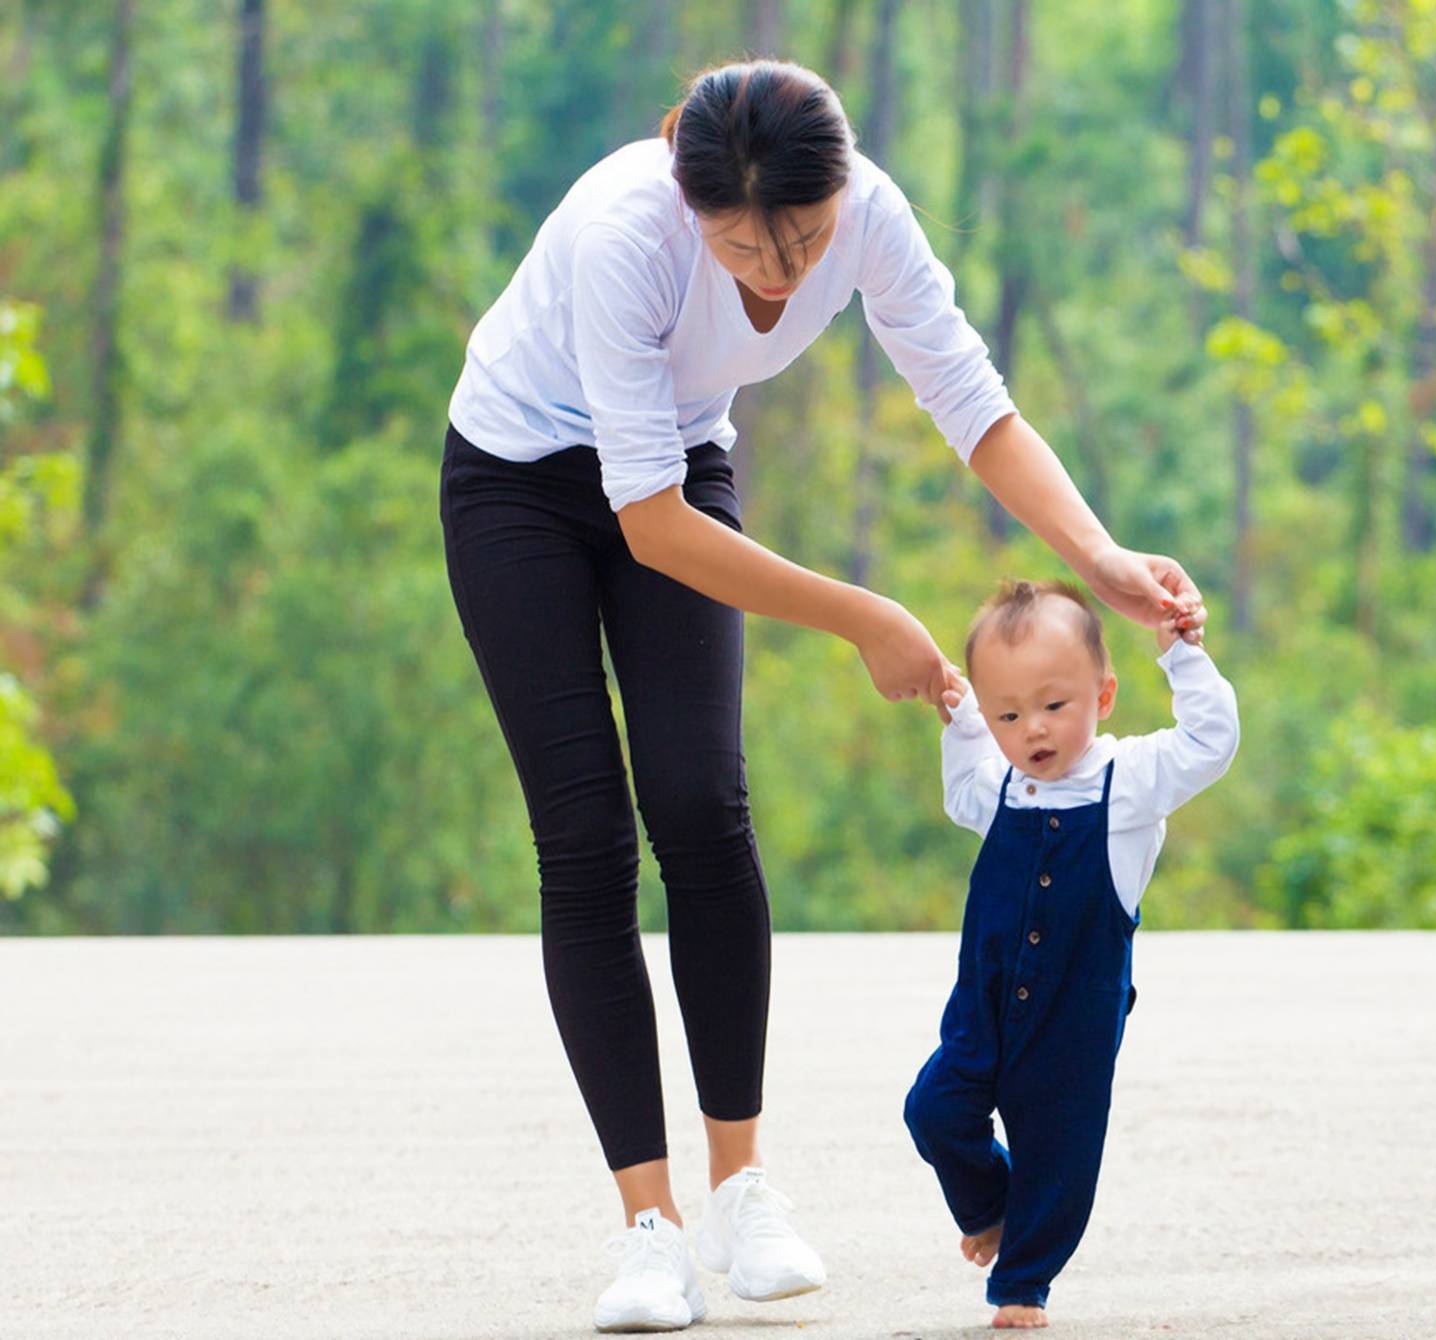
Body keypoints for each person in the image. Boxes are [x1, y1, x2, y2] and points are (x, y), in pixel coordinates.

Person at [438, 59, 1209, 1333]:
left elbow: (972, 402)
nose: (775, 274)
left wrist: (1101, 561)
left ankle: (741, 1186)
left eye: (798, 238)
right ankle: (651, 1225)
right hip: (519, 483)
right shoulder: (625, 232)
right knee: (584, 839)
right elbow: (646, 526)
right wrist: (867, 616)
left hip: (680, 464)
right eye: (740, 243)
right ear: (687, 189)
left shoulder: (869, 216)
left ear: (838, 191)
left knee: (701, 801)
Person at [905, 579, 1239, 1328]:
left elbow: (1210, 744)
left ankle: (1023, 1283)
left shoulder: (1130, 784)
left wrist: (1184, 659)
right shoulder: (998, 786)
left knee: (1059, 1154)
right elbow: (963, 789)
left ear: (1104, 695)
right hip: (982, 1009)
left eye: (1055, 706)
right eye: (1009, 715)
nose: (1034, 732)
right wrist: (959, 721)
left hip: (1072, 1018)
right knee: (933, 1109)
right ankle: (990, 1204)